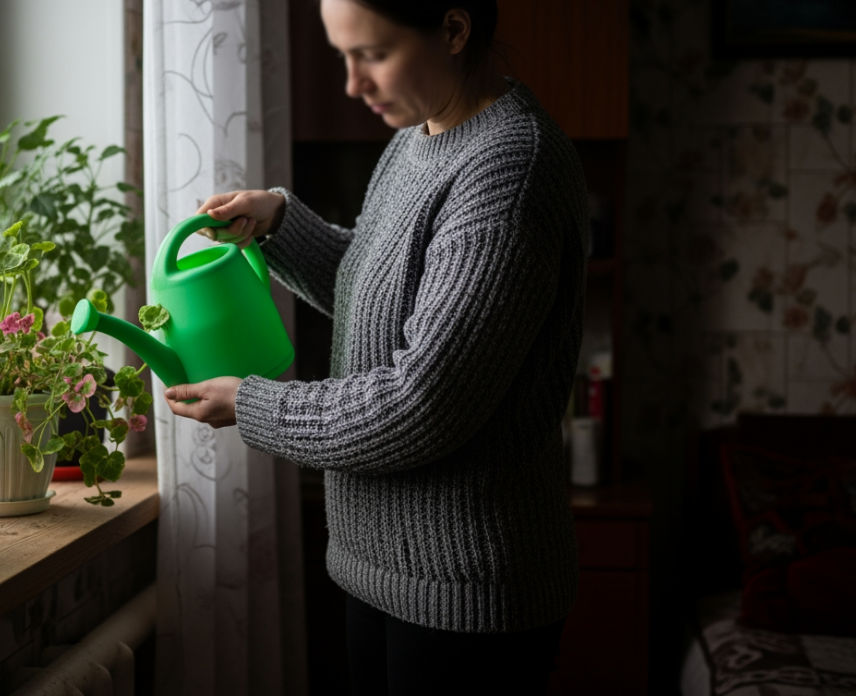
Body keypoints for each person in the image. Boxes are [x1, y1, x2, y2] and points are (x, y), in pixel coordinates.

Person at [163, 0, 587, 692]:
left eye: (374, 54)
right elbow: (385, 294)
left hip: (465, 595)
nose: (352, 85)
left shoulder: (511, 171)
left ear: (453, 30)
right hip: (379, 568)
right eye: (343, 55)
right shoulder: (419, 137)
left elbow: (422, 403)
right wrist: (280, 226)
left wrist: (254, 404)